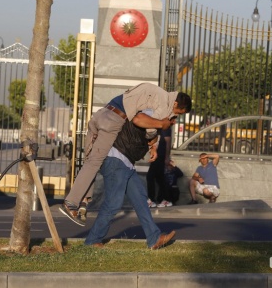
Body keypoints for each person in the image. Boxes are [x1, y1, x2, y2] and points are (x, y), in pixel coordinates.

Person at [60, 83, 192, 226]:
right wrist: (159, 131)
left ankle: (83, 202)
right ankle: (71, 203)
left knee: (90, 161)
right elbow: (147, 127)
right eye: (178, 112)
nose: (176, 115)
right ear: (176, 103)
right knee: (94, 162)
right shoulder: (165, 104)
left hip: (102, 113)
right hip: (114, 120)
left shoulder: (157, 91)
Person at [84, 116, 176, 250]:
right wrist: (161, 126)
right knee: (113, 203)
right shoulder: (149, 112)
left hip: (127, 163)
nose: (174, 122)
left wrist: (154, 146)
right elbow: (141, 124)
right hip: (116, 160)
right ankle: (92, 240)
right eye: (174, 118)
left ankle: (154, 239)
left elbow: (150, 137)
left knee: (140, 199)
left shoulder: (155, 118)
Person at [146, 127, 172, 208]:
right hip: (157, 154)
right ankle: (164, 199)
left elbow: (168, 142)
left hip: (160, 155)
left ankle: (152, 199)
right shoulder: (158, 127)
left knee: (150, 176)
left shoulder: (165, 127)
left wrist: (167, 157)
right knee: (159, 178)